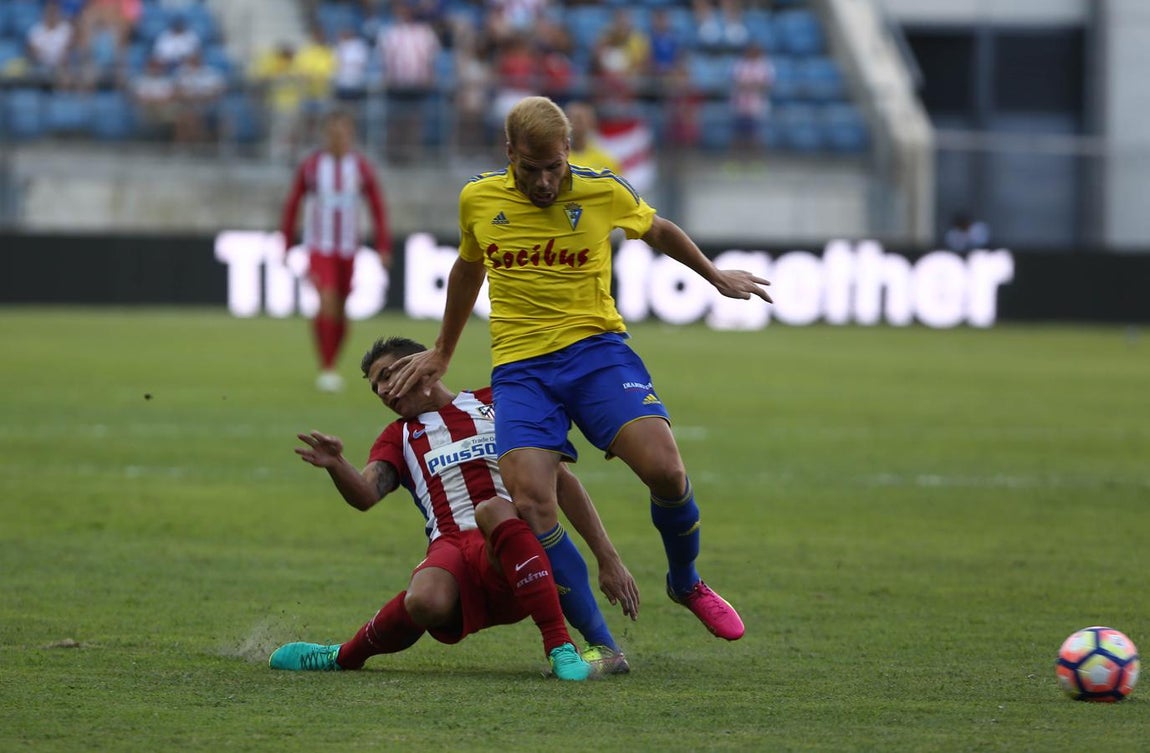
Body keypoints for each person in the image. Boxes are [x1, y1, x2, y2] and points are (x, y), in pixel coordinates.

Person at [388, 96, 772, 642]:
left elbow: (657, 229)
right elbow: (469, 267)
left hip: (596, 352)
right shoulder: (478, 198)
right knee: (531, 500)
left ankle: (686, 581)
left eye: (553, 168)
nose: (544, 182)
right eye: (530, 169)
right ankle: (602, 645)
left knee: (666, 471)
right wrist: (443, 351)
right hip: (521, 368)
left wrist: (713, 275)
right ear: (509, 153)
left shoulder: (602, 188)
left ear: (567, 151)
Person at [269, 336, 638, 679]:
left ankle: (561, 647)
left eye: (386, 376)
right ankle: (341, 656)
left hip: (515, 549)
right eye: (375, 387)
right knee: (425, 601)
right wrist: (337, 465)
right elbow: (366, 494)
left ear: (420, 364)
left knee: (493, 509)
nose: (382, 390)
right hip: (452, 549)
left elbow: (561, 480)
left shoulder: (498, 402)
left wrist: (608, 558)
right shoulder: (399, 436)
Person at [280, 110, 391, 392]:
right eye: (333, 132)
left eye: (344, 132)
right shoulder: (312, 166)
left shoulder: (361, 167)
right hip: (320, 248)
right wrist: (286, 242)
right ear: (325, 134)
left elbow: (377, 206)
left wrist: (382, 245)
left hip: (348, 249)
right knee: (327, 300)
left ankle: (333, 363)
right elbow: (293, 203)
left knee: (341, 309)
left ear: (351, 134)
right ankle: (326, 367)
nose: (339, 138)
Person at [566, 101, 620, 174]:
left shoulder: (606, 160)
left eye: (579, 119)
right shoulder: (559, 159)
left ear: (591, 123)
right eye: (571, 118)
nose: (575, 123)